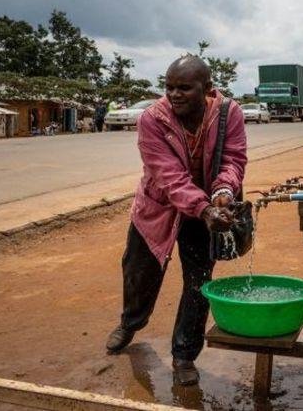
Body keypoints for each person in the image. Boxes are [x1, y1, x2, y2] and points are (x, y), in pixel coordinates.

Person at [104, 55, 247, 386]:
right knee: (138, 272)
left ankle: (184, 355)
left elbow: (234, 159)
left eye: (184, 87)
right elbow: (168, 177)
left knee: (199, 283)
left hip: (206, 210)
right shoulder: (152, 119)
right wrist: (204, 207)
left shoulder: (230, 114)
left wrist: (223, 193)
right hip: (158, 207)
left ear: (207, 89)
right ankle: (130, 322)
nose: (174, 94)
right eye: (169, 87)